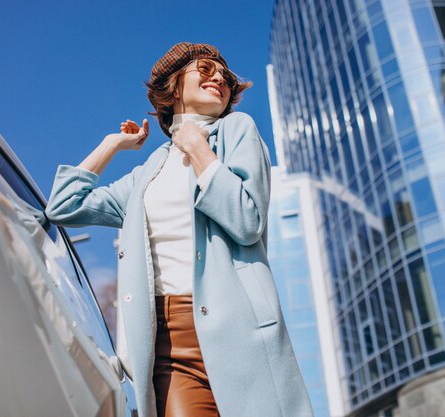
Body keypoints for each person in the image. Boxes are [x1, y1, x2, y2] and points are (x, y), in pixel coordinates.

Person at [45, 42, 313, 417]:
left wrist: (200, 152)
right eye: (205, 69)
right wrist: (113, 145)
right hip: (169, 349)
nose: (219, 76)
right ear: (173, 86)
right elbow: (63, 205)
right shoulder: (145, 176)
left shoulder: (236, 131)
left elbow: (248, 222)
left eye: (226, 76)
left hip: (239, 332)